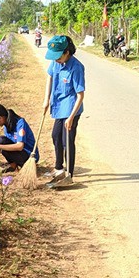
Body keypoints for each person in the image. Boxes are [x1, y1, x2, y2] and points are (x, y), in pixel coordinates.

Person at [43, 35, 85, 182]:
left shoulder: (76, 68)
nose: (56, 59)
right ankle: (58, 168)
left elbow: (80, 95)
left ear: (67, 52)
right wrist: (46, 100)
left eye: (58, 56)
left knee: (67, 140)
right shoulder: (56, 63)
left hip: (71, 108)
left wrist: (71, 117)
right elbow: (50, 77)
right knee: (56, 136)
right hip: (59, 106)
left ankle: (69, 174)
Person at [0, 103, 39, 170]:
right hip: (20, 153)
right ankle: (13, 165)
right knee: (1, 141)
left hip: (29, 156)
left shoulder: (20, 123)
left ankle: (18, 165)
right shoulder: (7, 125)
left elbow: (20, 146)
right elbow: (9, 146)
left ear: (0, 118)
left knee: (1, 142)